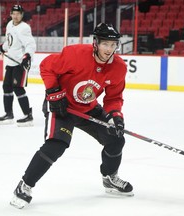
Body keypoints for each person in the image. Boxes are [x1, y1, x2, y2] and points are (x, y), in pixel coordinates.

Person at [10, 23, 133, 209]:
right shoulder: (75, 54)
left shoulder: (118, 67)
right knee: (56, 145)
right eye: (105, 44)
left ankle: (109, 177)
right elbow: (46, 66)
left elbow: (114, 97)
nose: (109, 49)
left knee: (116, 140)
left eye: (113, 44)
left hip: (88, 108)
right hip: (62, 107)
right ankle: (25, 185)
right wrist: (54, 93)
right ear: (96, 43)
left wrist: (115, 116)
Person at [0, 4, 36, 127]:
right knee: (7, 87)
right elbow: (10, 42)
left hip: (20, 63)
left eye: (18, 14)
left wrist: (27, 56)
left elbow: (30, 44)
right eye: (14, 13)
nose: (16, 16)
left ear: (22, 15)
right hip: (11, 63)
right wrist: (1, 48)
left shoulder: (24, 28)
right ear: (11, 14)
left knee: (18, 88)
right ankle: (9, 114)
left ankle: (28, 115)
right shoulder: (9, 25)